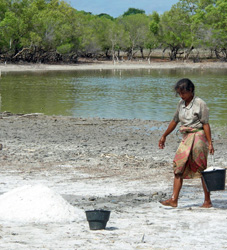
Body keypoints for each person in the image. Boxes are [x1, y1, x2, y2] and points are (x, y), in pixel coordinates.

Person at [158, 78, 214, 208]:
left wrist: (210, 143)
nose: (181, 96)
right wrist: (164, 136)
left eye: (183, 93)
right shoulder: (180, 104)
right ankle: (173, 200)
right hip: (186, 137)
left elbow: (205, 124)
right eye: (179, 93)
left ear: (191, 91)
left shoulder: (200, 104)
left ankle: (207, 201)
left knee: (201, 169)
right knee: (178, 166)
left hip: (198, 137)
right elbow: (174, 121)